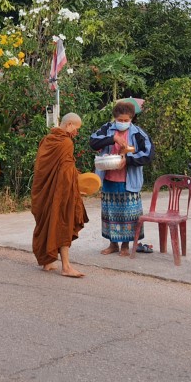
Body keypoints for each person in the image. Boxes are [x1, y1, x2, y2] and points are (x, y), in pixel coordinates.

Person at [89, 100, 154, 257]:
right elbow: (93, 142)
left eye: (126, 120)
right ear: (115, 118)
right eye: (120, 120)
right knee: (110, 214)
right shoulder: (107, 129)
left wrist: (129, 159)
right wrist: (113, 139)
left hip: (129, 181)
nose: (123, 122)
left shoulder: (138, 133)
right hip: (109, 179)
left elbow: (148, 154)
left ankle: (125, 245)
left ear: (131, 118)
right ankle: (113, 244)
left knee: (128, 215)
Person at [31, 113, 88, 277]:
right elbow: (65, 172)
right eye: (76, 128)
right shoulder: (66, 142)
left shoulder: (47, 139)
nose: (76, 132)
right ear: (69, 124)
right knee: (62, 223)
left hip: (43, 190)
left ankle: (47, 262)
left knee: (48, 222)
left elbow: (41, 167)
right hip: (60, 192)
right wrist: (76, 187)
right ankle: (66, 267)